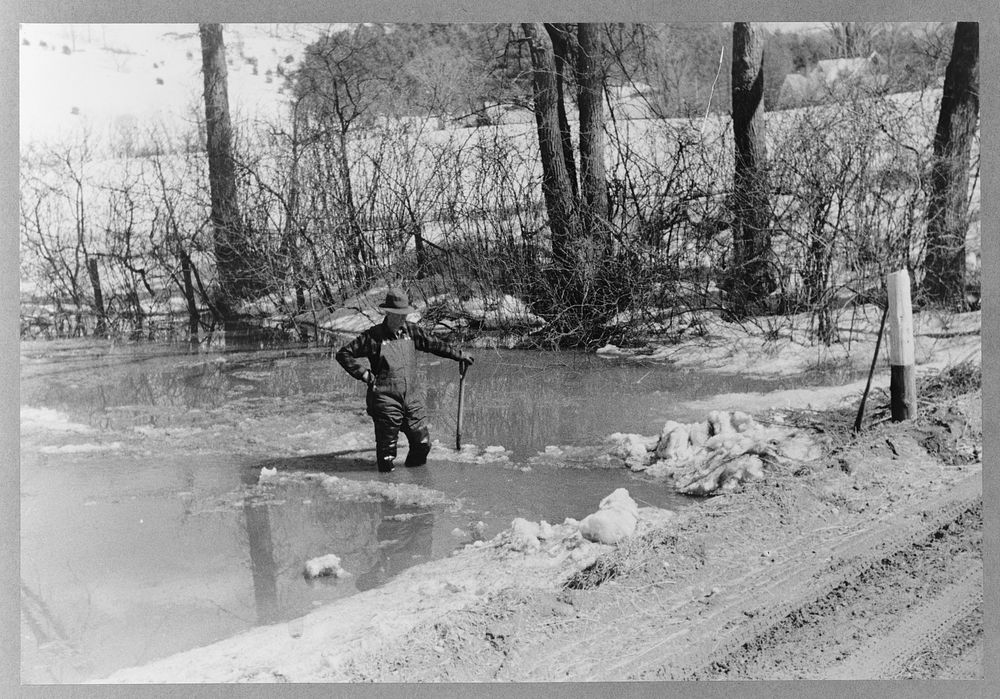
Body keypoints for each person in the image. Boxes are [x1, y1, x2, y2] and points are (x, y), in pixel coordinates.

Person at [335, 288, 473, 472]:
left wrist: (459, 355)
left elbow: (435, 344)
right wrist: (364, 374)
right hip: (386, 400)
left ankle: (417, 482)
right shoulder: (373, 337)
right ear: (389, 313)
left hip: (412, 399)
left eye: (405, 315)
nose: (403, 319)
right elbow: (344, 354)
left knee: (422, 444)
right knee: (387, 455)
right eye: (399, 315)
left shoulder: (411, 331)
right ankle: (387, 489)